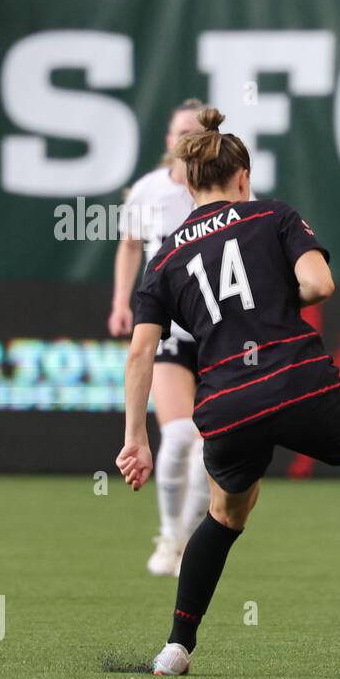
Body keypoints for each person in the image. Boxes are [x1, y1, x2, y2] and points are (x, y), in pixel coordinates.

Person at [115, 106, 340, 679]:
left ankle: (176, 648)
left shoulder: (163, 261)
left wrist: (137, 437)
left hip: (226, 404)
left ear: (185, 184)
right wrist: (274, 302)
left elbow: (140, 353)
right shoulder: (273, 216)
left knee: (225, 517)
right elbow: (320, 284)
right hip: (296, 383)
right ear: (242, 178)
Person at [109, 98, 208, 576]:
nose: (184, 141)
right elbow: (129, 246)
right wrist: (120, 303)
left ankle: (189, 540)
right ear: (168, 141)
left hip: (215, 326)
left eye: (195, 132)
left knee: (213, 443)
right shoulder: (148, 191)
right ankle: (169, 538)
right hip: (166, 322)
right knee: (180, 433)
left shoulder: (222, 191)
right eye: (178, 132)